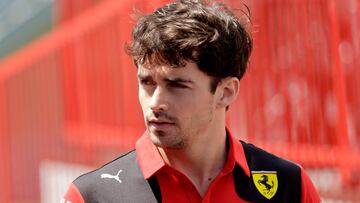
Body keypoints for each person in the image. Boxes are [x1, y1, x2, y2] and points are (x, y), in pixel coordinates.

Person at [62, 0, 320, 202]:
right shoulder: (93, 196)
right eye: (147, 82)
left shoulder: (289, 186)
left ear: (226, 91)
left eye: (177, 85)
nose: (156, 102)